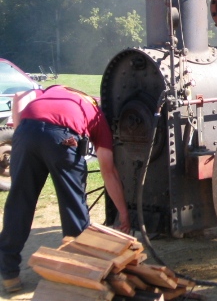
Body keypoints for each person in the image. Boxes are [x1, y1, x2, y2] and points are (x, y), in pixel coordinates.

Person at [0, 85, 130, 293]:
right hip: (62, 137)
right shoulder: (96, 113)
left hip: (24, 132)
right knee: (73, 203)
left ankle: (9, 274)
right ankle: (79, 271)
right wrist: (124, 214)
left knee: (19, 202)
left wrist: (20, 132)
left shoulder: (52, 91)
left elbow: (17, 97)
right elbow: (108, 171)